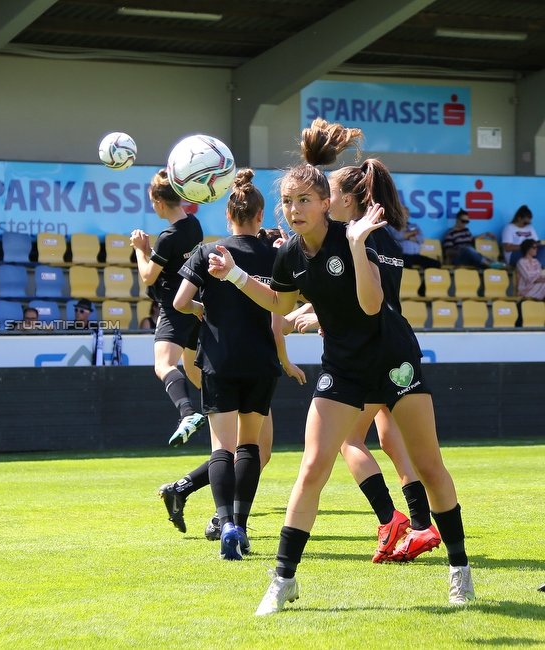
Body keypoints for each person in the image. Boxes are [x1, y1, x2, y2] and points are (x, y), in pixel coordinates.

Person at [208, 118, 473, 614]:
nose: (294, 210)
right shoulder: (288, 253)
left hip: (394, 364)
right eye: (287, 202)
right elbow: (280, 307)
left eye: (304, 200)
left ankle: (460, 569)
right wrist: (236, 275)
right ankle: (283, 580)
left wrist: (355, 248)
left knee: (431, 467)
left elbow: (372, 307)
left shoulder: (361, 237)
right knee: (311, 469)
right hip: (344, 370)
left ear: (326, 202)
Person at [294, 160, 442, 563]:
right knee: (395, 443)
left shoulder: (354, 238)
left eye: (331, 194)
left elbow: (363, 303)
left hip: (368, 354)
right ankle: (421, 527)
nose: (325, 203)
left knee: (348, 440)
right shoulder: (388, 237)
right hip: (396, 348)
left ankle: (389, 518)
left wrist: (320, 314)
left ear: (347, 198)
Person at [164, 170, 305, 558]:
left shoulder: (210, 252)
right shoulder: (276, 255)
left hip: (219, 360)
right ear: (261, 216)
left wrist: (203, 309)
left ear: (229, 215)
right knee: (250, 448)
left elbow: (179, 303)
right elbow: (282, 312)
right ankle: (241, 525)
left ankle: (224, 522)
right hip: (260, 363)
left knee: (221, 449)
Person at [131, 170, 205, 447]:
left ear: (159, 202)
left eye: (152, 202)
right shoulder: (194, 225)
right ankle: (221, 408)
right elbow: (175, 264)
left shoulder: (168, 236)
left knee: (163, 365)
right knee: (192, 366)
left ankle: (187, 414)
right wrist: (153, 251)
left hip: (176, 307)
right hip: (196, 301)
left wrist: (141, 249)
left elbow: (148, 277)